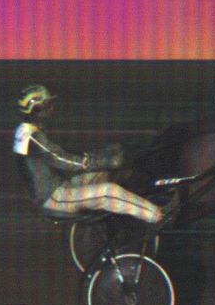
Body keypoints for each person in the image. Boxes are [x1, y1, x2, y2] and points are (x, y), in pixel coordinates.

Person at [11, 85, 165, 225]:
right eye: (48, 105)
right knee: (109, 192)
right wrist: (100, 161)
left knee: (102, 175)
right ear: (37, 110)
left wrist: (100, 155)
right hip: (53, 198)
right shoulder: (31, 136)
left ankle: (125, 214)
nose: (52, 109)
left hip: (57, 188)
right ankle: (158, 216)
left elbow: (64, 152)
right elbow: (61, 159)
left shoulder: (27, 131)